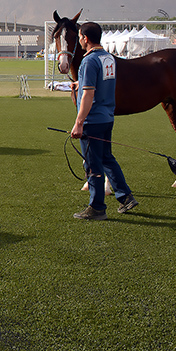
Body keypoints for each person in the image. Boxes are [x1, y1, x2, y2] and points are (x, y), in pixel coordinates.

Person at [70, 21, 138, 220]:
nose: (80, 40)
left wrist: (79, 122)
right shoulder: (108, 58)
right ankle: (125, 197)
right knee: (107, 158)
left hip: (92, 120)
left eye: (80, 37)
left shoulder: (89, 61)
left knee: (93, 165)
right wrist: (79, 83)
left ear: (85, 38)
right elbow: (100, 83)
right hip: (107, 117)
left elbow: (89, 95)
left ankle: (97, 207)